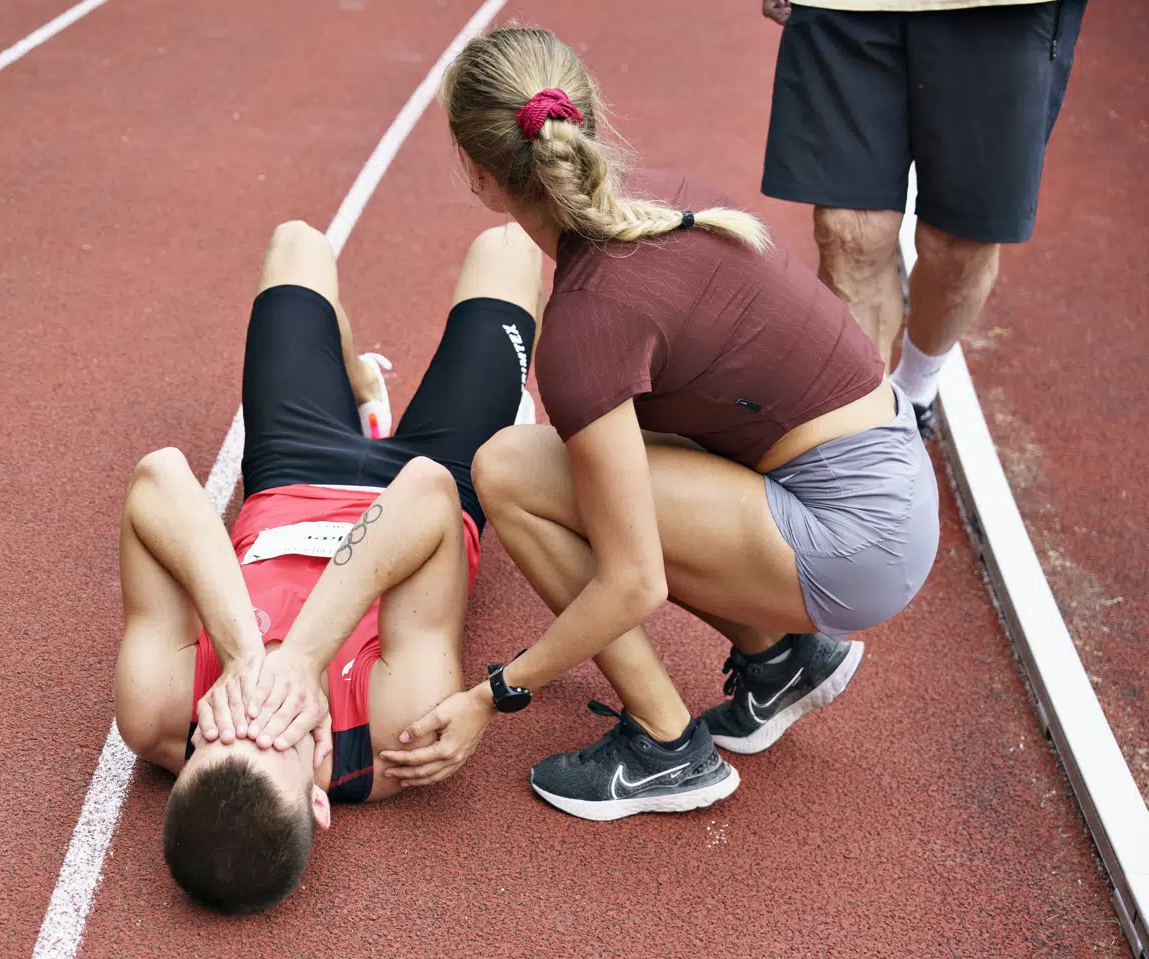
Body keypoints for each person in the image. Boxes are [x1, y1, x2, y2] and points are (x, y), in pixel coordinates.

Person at [366, 26, 940, 822]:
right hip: (885, 479)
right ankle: (779, 660)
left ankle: (665, 747)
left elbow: (637, 579)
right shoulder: (665, 199)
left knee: (508, 474)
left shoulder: (586, 325)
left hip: (856, 537)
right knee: (587, 469)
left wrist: (493, 694)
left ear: (480, 177)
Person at [112, 219, 540, 913]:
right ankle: (519, 421)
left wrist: (246, 653)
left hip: (289, 473)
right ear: (319, 798)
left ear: (186, 757)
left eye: (220, 733)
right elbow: (426, 491)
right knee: (510, 249)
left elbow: (158, 478)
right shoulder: (398, 732)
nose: (252, 709)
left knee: (296, 241)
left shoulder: (157, 711)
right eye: (275, 736)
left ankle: (360, 384)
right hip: (430, 482)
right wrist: (304, 659)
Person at [760, 0, 1087, 434]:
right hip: (842, 7)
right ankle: (867, 432)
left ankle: (915, 390)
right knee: (847, 233)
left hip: (999, 11)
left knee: (957, 246)